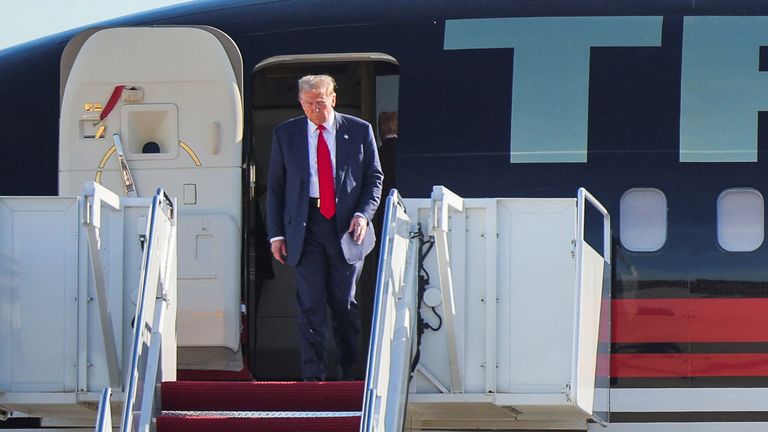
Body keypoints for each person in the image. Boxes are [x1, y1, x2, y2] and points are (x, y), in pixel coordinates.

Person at [267, 74, 383, 381]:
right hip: (305, 227)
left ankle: (349, 371)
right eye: (308, 104)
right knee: (310, 303)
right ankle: (313, 378)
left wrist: (363, 214)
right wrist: (276, 234)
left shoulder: (359, 131)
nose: (315, 109)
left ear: (333, 98)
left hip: (346, 227)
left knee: (344, 302)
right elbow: (276, 187)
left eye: (320, 102)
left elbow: (374, 178)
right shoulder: (286, 134)